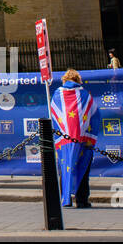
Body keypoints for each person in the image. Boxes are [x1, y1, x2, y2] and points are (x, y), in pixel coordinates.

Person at [48, 68, 98, 208]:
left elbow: (54, 116)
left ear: (64, 80)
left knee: (65, 167)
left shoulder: (57, 95)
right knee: (82, 168)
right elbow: (94, 115)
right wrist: (90, 135)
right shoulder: (85, 95)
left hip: (64, 140)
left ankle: (65, 199)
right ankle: (81, 200)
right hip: (82, 140)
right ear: (78, 80)